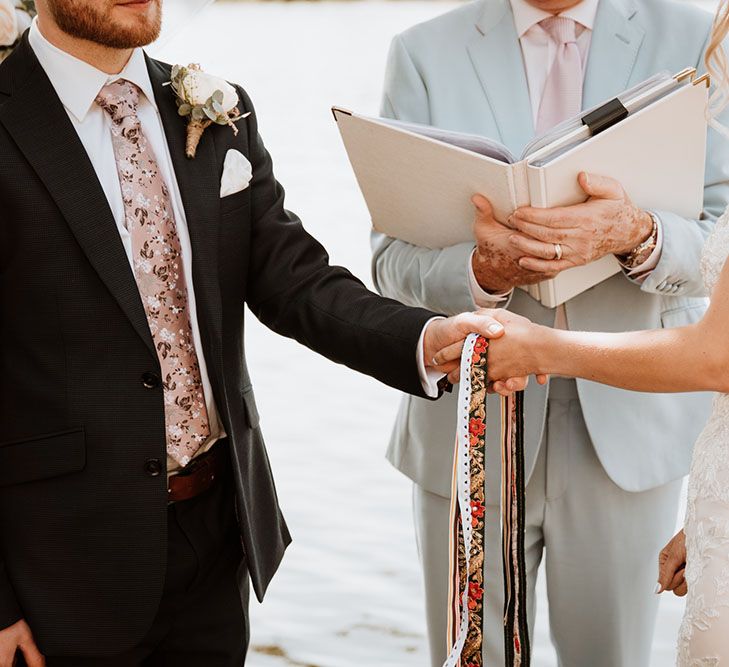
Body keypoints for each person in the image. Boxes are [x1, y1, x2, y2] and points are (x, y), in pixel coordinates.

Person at [0, 1, 514, 664]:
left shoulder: (215, 111)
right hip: (54, 565)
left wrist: (428, 339)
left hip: (217, 536)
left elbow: (294, 281)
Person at [371, 0, 729, 665]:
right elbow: (389, 260)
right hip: (467, 420)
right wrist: (481, 269)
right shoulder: (421, 50)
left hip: (629, 427)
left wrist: (638, 234)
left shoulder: (698, 40)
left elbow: (719, 234)